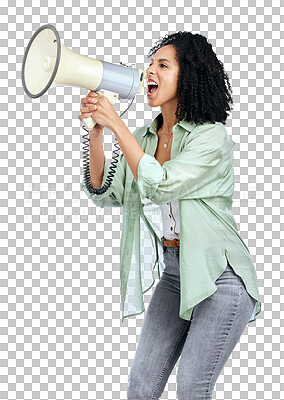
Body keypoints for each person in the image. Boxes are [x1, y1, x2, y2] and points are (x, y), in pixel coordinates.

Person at [78, 31, 262, 400]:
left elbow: (161, 185)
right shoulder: (146, 138)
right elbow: (108, 193)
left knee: (193, 389)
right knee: (141, 388)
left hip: (220, 279)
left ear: (188, 77)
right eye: (151, 64)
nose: (150, 71)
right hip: (176, 272)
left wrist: (117, 124)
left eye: (163, 65)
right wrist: (98, 134)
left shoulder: (211, 138)